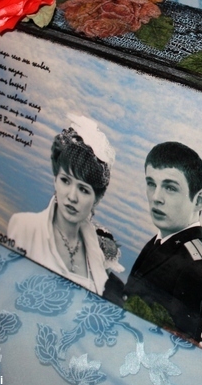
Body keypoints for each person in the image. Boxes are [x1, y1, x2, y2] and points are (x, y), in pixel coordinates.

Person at [7, 114, 123, 296]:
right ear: (55, 179)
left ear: (96, 199)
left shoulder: (97, 251)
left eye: (83, 189)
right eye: (65, 180)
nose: (72, 196)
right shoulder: (24, 227)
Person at [123, 141, 202, 337]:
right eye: (151, 184)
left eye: (170, 188)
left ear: (198, 200)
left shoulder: (199, 266)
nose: (156, 197)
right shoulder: (159, 241)